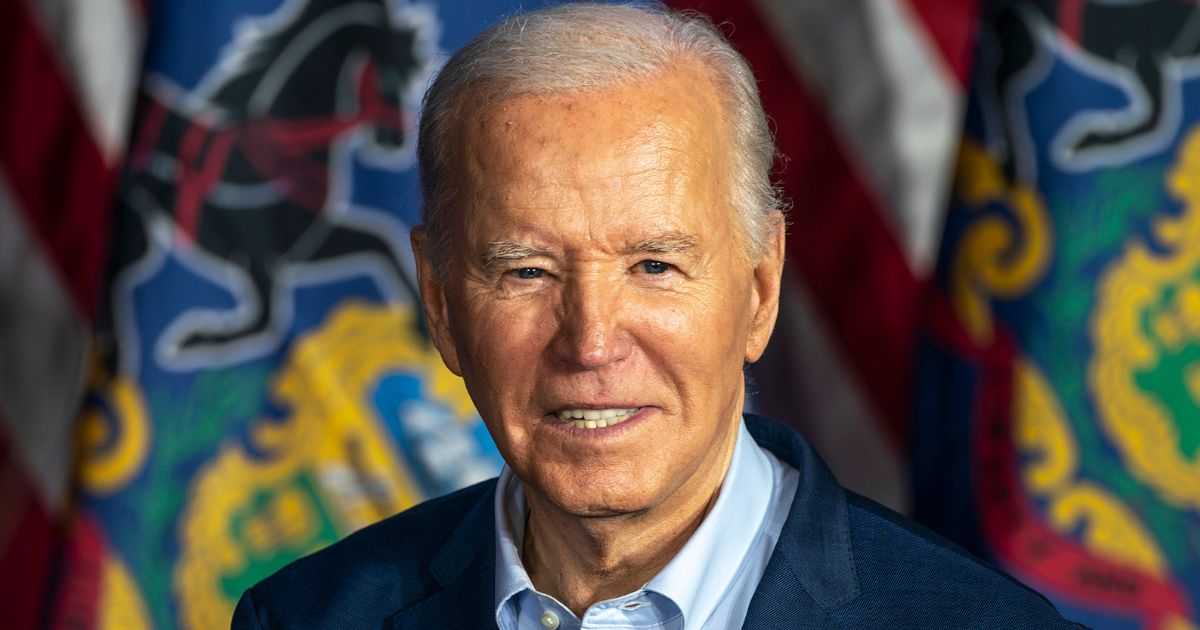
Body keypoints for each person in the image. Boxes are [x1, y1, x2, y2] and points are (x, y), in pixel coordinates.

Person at [232, 3, 1083, 628]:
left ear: (758, 289)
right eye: (527, 271)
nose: (592, 342)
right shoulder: (304, 617)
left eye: (654, 265)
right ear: (442, 300)